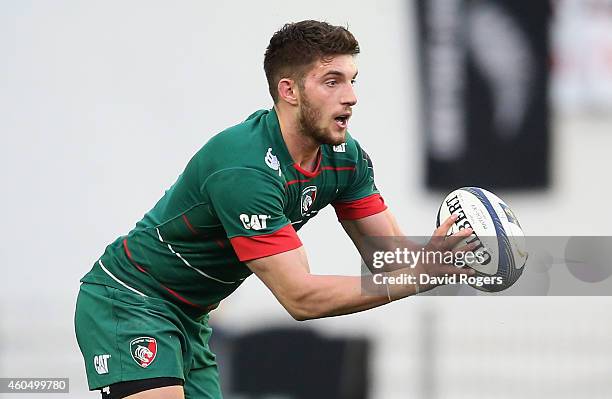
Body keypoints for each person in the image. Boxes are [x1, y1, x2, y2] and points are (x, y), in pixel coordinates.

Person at [74, 20, 474, 399]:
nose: (350, 95)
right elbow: (300, 298)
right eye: (332, 81)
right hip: (129, 298)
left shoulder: (346, 159)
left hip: (191, 318)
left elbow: (391, 262)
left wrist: (453, 253)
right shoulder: (244, 168)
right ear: (290, 90)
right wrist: (420, 275)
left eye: (352, 80)